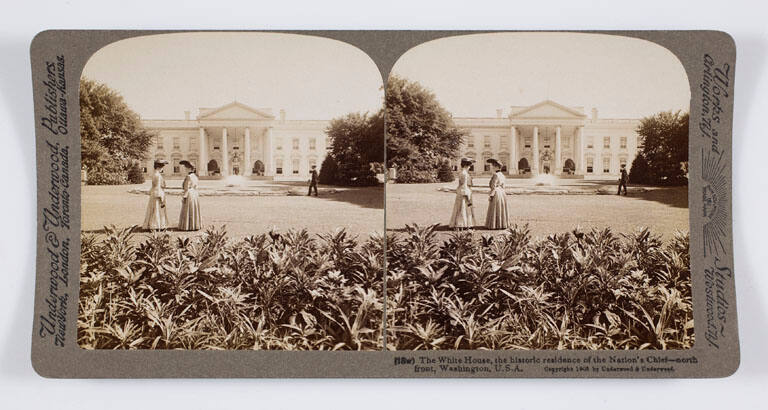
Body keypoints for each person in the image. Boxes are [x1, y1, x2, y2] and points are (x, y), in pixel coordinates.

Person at [449, 158, 476, 230]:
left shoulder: (463, 172)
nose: (470, 167)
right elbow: (464, 184)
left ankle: (462, 223)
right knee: (464, 207)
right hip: (464, 191)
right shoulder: (464, 174)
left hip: (461, 190)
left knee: (461, 207)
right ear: (467, 165)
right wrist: (467, 194)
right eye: (469, 165)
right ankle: (462, 223)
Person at [143, 160, 169, 231]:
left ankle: (153, 224)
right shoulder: (158, 176)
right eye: (162, 167)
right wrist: (161, 197)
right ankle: (156, 225)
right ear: (158, 167)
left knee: (153, 209)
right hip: (157, 193)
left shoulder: (154, 174)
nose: (162, 169)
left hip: (153, 193)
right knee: (158, 209)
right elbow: (157, 186)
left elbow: (153, 186)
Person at [485, 159, 510, 229]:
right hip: (502, 192)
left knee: (495, 208)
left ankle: (494, 224)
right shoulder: (502, 175)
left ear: (496, 167)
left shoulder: (495, 175)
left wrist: (491, 195)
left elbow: (493, 186)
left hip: (496, 192)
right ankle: (501, 224)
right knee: (501, 208)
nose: (492, 168)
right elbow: (503, 186)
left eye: (493, 166)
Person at [178, 160, 202, 231]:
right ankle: (195, 225)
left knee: (188, 209)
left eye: (186, 168)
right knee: (193, 209)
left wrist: (184, 196)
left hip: (189, 193)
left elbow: (186, 188)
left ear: (189, 169)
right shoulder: (195, 176)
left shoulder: (188, 177)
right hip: (195, 193)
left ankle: (187, 225)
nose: (185, 169)